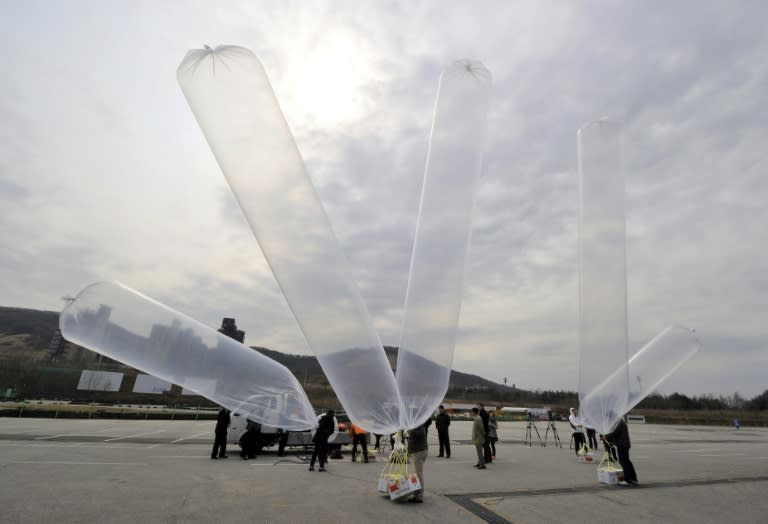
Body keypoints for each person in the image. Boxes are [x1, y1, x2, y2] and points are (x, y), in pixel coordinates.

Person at [603, 417, 638, 486]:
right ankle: (633, 478)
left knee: (624, 462)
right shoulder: (620, 422)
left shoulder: (619, 423)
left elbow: (615, 433)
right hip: (623, 444)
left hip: (623, 444)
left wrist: (606, 436)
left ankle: (628, 479)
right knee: (626, 461)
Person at [407, 420, 428, 503]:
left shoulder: (419, 423)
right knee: (417, 473)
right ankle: (417, 494)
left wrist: (410, 431)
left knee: (418, 474)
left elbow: (421, 434)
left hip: (419, 451)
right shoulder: (415, 424)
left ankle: (419, 496)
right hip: (418, 451)